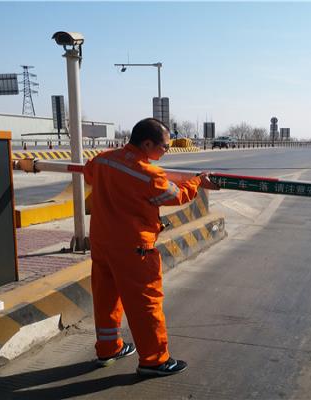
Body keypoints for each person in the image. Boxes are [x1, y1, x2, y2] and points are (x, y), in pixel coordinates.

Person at [83, 118, 219, 376]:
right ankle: (154, 360)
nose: (166, 151)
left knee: (105, 297)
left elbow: (88, 173)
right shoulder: (149, 174)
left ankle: (108, 349)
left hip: (102, 243)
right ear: (147, 144)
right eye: (164, 146)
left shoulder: (102, 160)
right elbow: (177, 195)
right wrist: (197, 181)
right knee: (146, 303)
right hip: (135, 248)